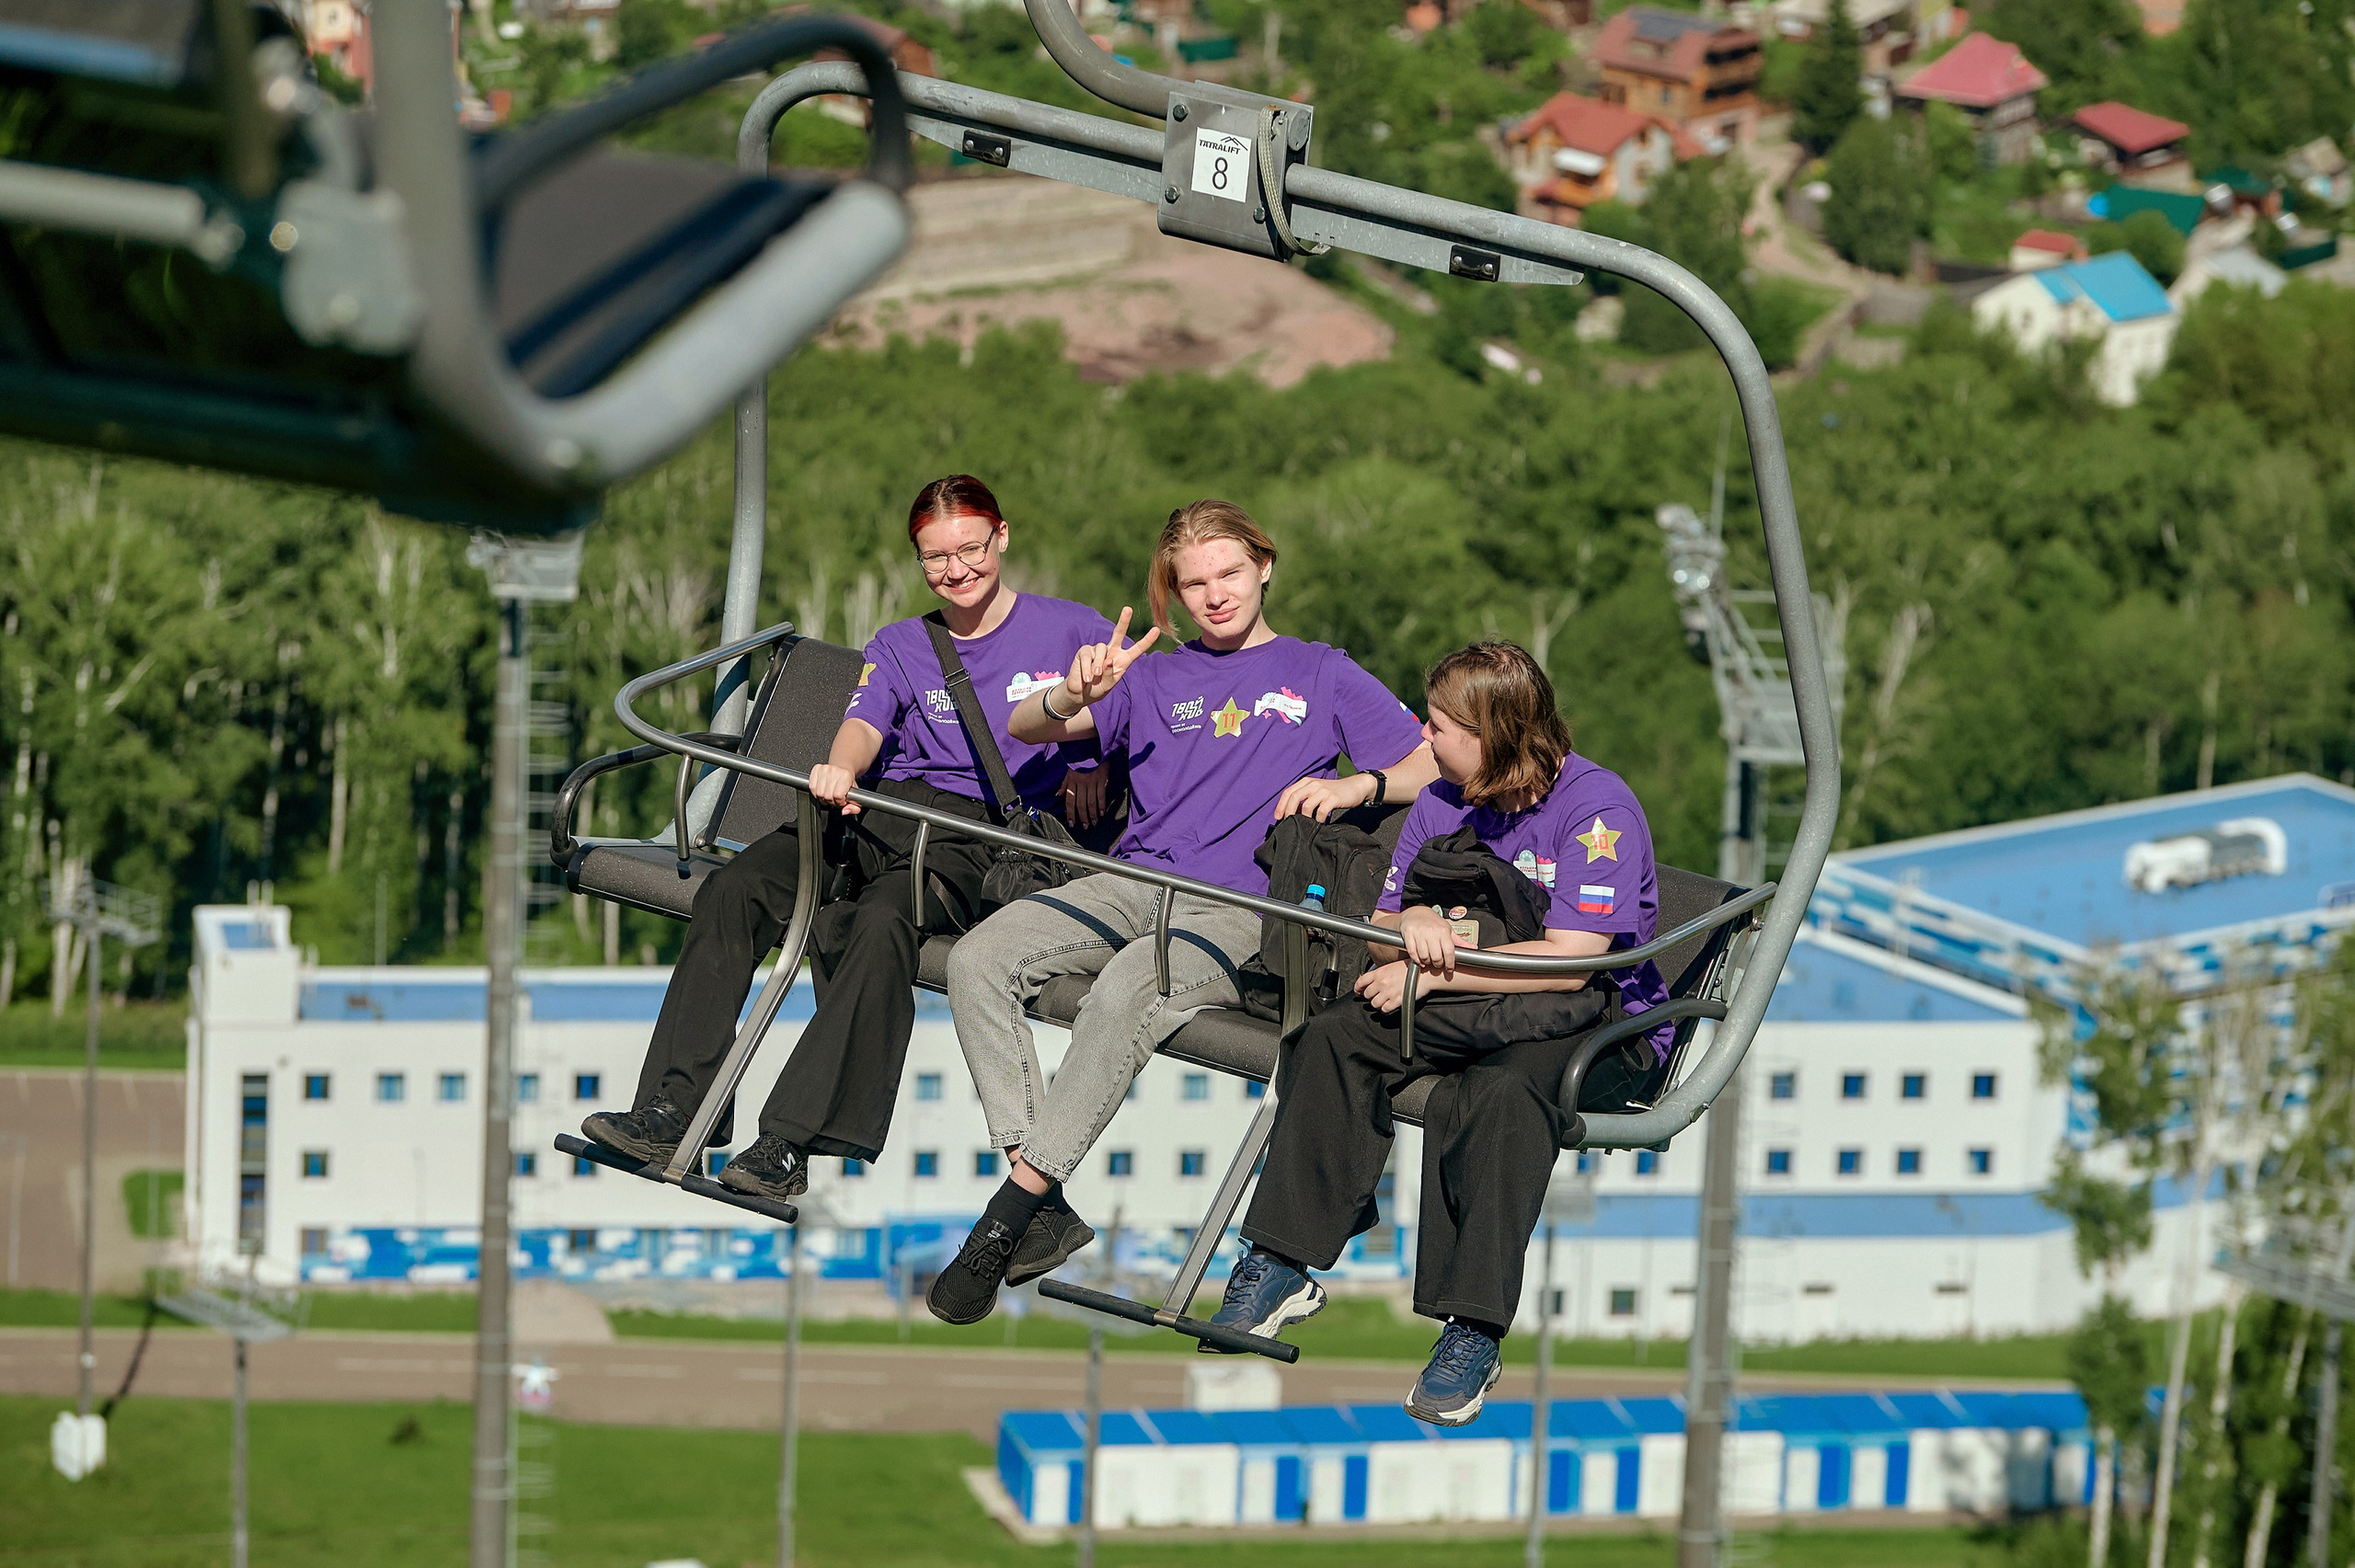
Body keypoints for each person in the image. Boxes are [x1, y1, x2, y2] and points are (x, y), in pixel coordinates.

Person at [926, 498, 1440, 1323]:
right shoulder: (1156, 675)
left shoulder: (1322, 672)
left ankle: (1004, 1219)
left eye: (1230, 573)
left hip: (1241, 909)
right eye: (1194, 583)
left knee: (1129, 988)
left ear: (1265, 566)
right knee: (977, 959)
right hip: (1131, 883)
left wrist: (1358, 784)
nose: (1215, 595)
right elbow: (1021, 724)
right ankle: (1041, 1199)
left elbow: (1430, 762)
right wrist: (1069, 694)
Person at [580, 475, 1116, 1202]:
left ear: (1002, 538)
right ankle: (676, 1109)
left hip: (972, 836)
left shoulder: (1067, 629)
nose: (956, 570)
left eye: (969, 549)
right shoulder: (903, 643)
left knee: (880, 921)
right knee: (736, 890)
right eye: (935, 558)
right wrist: (841, 764)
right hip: (879, 804)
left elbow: (1135, 708)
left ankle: (789, 1144)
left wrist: (1092, 763)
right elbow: (866, 720)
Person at [1201, 641, 1670, 1425]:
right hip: (1473, 996)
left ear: (1493, 735)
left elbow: (1569, 964)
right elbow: (1384, 927)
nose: (1425, 734)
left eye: (1443, 725)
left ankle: (1472, 1330)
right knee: (1333, 1039)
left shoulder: (1597, 810)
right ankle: (1282, 1259)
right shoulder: (1443, 799)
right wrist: (1409, 928)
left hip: (1593, 1015)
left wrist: (1433, 970)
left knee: (1500, 1094)